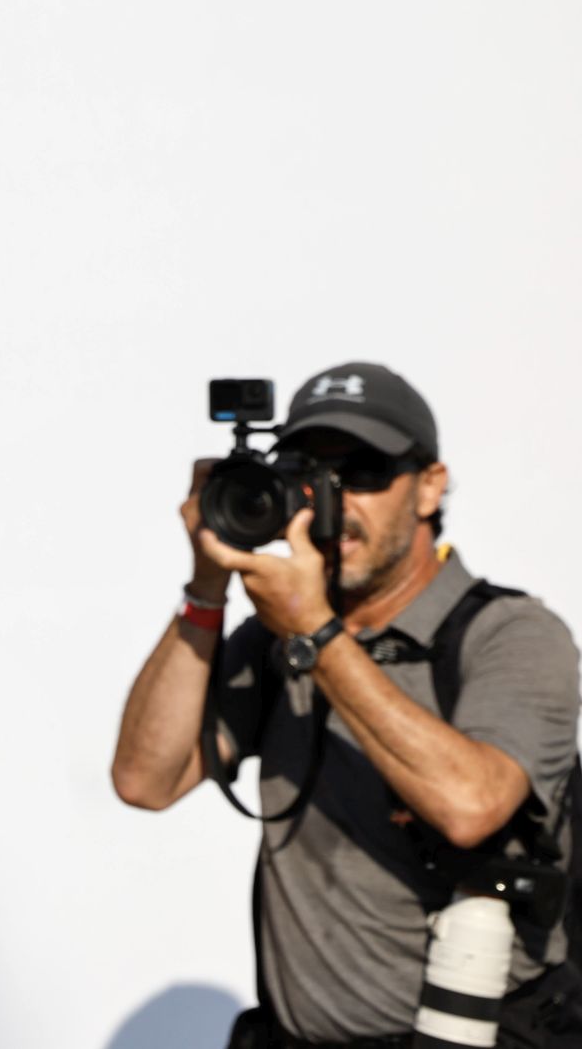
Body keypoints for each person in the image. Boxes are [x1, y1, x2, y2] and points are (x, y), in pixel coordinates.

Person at [110, 362, 581, 1047]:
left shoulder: (509, 634)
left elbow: (472, 805)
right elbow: (146, 779)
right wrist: (207, 586)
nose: (334, 498)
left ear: (429, 486)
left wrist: (319, 637)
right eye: (309, 469)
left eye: (362, 471)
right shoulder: (281, 633)